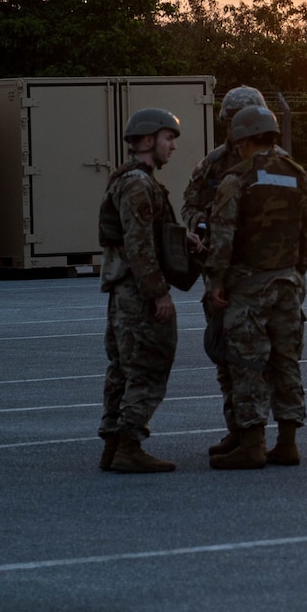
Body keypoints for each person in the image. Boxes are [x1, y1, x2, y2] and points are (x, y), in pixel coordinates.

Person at [203, 104, 307, 470]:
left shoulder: (237, 178)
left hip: (248, 287)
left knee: (247, 363)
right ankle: (288, 443)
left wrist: (215, 281)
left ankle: (252, 444)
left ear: (243, 140)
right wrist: (295, 270)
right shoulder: (297, 174)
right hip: (287, 284)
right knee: (286, 362)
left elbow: (222, 237)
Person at [181, 84, 267, 458]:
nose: (238, 129)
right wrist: (199, 224)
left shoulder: (275, 162)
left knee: (262, 357)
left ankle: (261, 436)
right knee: (224, 353)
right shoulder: (214, 162)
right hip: (219, 272)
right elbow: (189, 203)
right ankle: (237, 428)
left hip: (260, 274)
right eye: (232, 122)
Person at [97, 108, 185, 474]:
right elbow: (139, 246)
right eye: (168, 140)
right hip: (138, 293)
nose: (172, 148)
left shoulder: (131, 180)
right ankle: (129, 445)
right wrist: (158, 293)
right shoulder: (137, 184)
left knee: (123, 367)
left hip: (127, 291)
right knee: (147, 364)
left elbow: (151, 235)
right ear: (148, 141)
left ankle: (114, 444)